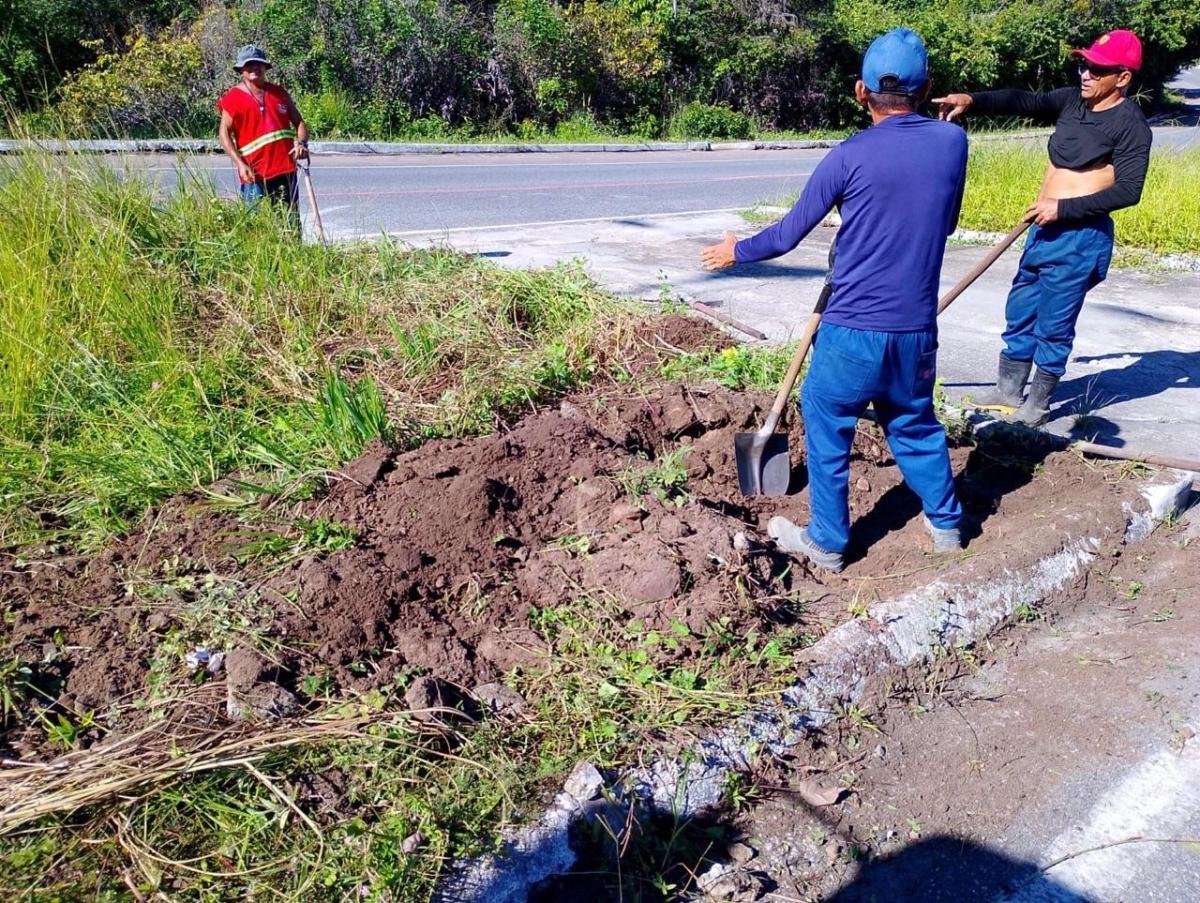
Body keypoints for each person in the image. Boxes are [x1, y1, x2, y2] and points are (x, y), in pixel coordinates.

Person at [701, 28, 968, 572]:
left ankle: (826, 541)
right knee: (914, 423)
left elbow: (784, 236)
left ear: (859, 92)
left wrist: (736, 249)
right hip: (916, 328)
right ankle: (945, 525)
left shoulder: (847, 156)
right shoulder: (953, 144)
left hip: (851, 331)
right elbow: (946, 221)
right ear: (928, 89)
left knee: (827, 423)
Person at [934, 30, 1152, 425]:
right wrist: (973, 100)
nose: (1085, 73)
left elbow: (1129, 190)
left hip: (1080, 238)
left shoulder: (1130, 124)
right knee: (1021, 310)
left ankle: (1037, 404)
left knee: (1054, 322)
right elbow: (1025, 100)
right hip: (1041, 230)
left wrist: (1064, 209)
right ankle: (1007, 390)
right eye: (1084, 64)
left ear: (1122, 77)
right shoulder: (1073, 101)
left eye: (1097, 69)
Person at [217, 45, 309, 213]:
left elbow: (300, 123)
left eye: (258, 63)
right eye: (249, 64)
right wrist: (240, 164)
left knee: (289, 222)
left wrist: (301, 144)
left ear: (265, 67)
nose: (254, 67)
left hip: (285, 170)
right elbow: (223, 135)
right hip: (254, 174)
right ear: (241, 70)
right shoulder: (232, 98)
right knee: (257, 225)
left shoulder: (279, 93)